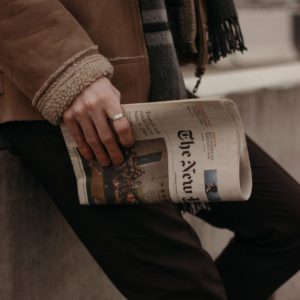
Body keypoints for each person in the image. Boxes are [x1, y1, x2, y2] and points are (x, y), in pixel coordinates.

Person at [0, 1, 299, 299]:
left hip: (148, 82)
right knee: (190, 291)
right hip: (73, 102)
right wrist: (68, 71)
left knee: (287, 225)